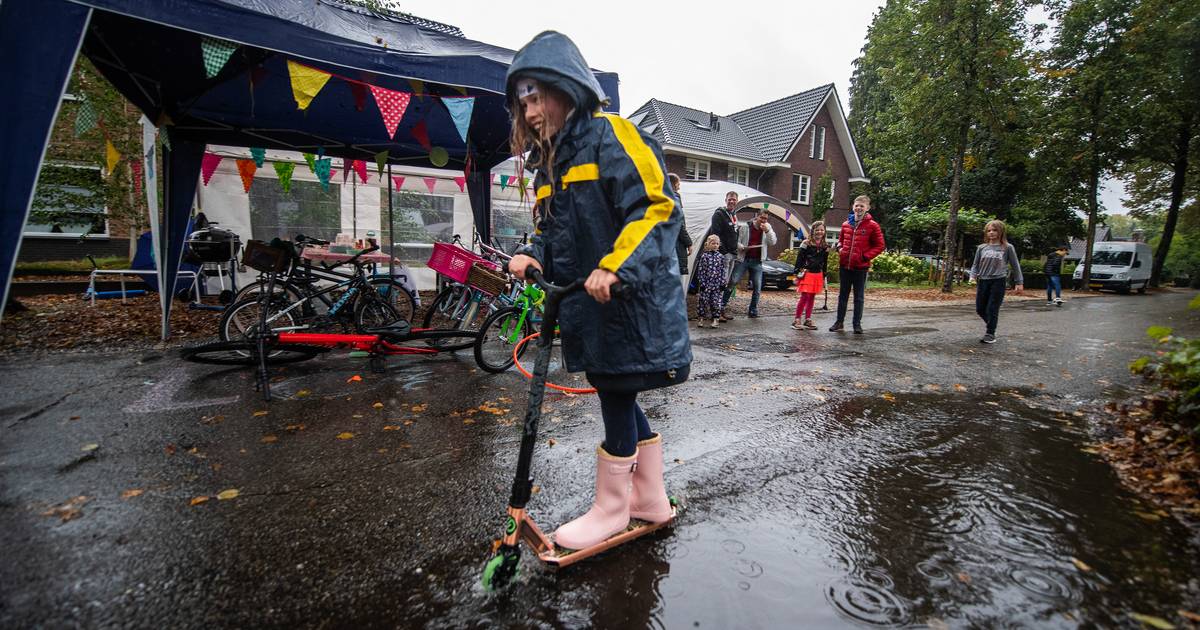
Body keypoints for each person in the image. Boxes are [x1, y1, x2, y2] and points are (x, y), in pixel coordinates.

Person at [503, 31, 691, 551]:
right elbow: (553, 230)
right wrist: (533, 253)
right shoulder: (550, 164)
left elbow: (657, 207)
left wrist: (615, 267)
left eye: (537, 97)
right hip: (588, 304)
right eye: (522, 102)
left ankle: (611, 508)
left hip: (629, 299)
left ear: (566, 88)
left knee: (616, 388)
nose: (530, 112)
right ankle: (649, 497)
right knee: (615, 388)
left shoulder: (613, 135)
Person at [830, 195, 885, 333]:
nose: (859, 208)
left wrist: (865, 256)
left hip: (860, 267)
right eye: (857, 205)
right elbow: (841, 240)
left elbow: (880, 246)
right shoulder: (845, 224)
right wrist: (840, 249)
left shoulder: (873, 225)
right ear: (853, 206)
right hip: (845, 266)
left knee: (858, 298)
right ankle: (839, 322)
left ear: (867, 208)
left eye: (862, 206)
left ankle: (856, 325)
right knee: (842, 296)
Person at [969, 219, 1024, 344]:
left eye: (994, 230)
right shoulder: (981, 248)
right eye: (989, 230)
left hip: (998, 281)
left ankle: (990, 333)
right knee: (980, 309)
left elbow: (1015, 266)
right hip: (983, 280)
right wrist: (972, 276)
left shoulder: (1007, 247)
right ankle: (992, 325)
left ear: (1001, 232)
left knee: (992, 308)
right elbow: (975, 265)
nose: (991, 233)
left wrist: (1019, 282)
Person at [726, 209, 777, 318]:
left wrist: (767, 231)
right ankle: (721, 306)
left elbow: (772, 242)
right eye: (762, 218)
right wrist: (741, 247)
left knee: (757, 286)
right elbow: (737, 241)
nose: (763, 220)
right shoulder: (746, 226)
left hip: (757, 261)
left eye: (765, 219)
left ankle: (753, 310)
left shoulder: (768, 228)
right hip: (743, 259)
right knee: (733, 281)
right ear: (757, 216)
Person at [792, 221, 829, 330]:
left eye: (822, 230)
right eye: (817, 230)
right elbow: (799, 259)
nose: (820, 232)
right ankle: (797, 319)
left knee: (812, 297)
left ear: (824, 231)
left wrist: (824, 274)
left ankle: (808, 319)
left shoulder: (825, 246)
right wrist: (796, 273)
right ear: (813, 231)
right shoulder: (806, 243)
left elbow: (825, 262)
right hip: (807, 272)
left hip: (818, 274)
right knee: (804, 296)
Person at [709, 191, 740, 321]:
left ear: (737, 201)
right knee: (720, 284)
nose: (732, 201)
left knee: (725, 284)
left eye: (734, 199)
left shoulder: (733, 215)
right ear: (725, 200)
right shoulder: (719, 214)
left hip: (732, 254)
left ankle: (720, 310)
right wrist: (724, 251)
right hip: (724, 255)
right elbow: (715, 234)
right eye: (730, 199)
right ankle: (715, 312)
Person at [694, 234, 725, 328]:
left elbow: (722, 270)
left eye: (717, 244)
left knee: (716, 302)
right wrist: (702, 283)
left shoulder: (720, 257)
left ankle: (715, 319)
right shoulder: (704, 256)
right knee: (703, 301)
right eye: (713, 243)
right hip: (706, 284)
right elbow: (701, 271)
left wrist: (723, 282)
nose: (715, 245)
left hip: (717, 284)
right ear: (708, 244)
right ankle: (701, 318)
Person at [669, 173, 693, 293]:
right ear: (674, 184)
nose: (679, 186)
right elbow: (679, 223)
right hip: (676, 245)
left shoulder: (661, 198)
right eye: (678, 184)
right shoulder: (674, 198)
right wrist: (689, 243)